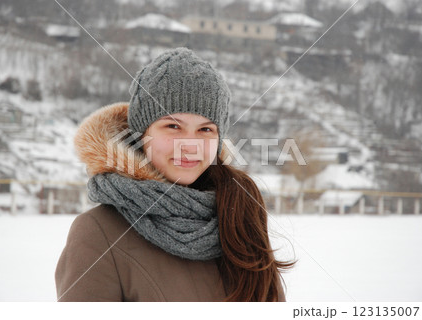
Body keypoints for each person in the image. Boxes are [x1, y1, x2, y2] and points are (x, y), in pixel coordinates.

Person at [55, 47, 294, 302]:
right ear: (140, 134)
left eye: (205, 129)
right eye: (172, 126)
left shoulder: (240, 211)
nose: (190, 145)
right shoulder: (98, 232)